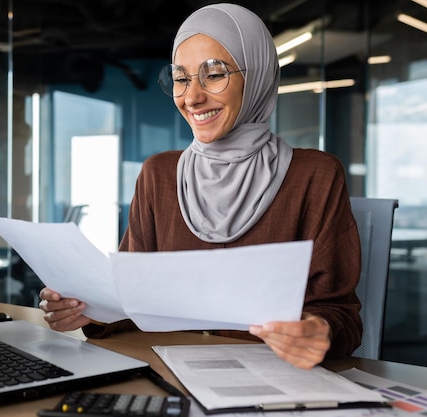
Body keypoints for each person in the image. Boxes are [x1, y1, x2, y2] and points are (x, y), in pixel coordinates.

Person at [39, 3, 362, 370]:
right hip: (167, 373)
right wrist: (88, 310)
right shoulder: (158, 175)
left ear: (255, 77)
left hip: (270, 382)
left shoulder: (315, 176)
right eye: (181, 78)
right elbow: (130, 304)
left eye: (214, 74)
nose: (192, 97)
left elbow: (343, 318)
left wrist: (318, 331)